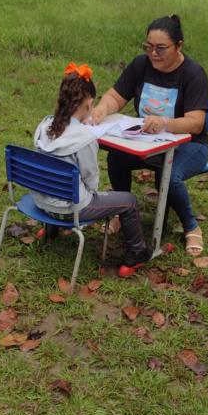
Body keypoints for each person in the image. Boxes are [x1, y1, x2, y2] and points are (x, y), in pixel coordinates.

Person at [90, 15, 208, 255]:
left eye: (161, 48)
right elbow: (115, 97)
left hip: (190, 145)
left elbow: (196, 124)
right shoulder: (140, 65)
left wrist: (165, 123)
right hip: (147, 142)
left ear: (179, 46)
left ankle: (191, 226)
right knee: (116, 159)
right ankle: (123, 211)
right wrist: (102, 108)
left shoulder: (193, 73)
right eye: (149, 47)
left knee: (169, 176)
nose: (153, 53)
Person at [33, 62, 151, 276]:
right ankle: (137, 252)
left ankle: (51, 229)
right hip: (72, 210)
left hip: (42, 203)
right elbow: (92, 184)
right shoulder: (85, 139)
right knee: (129, 201)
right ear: (89, 104)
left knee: (60, 183)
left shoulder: (44, 127)